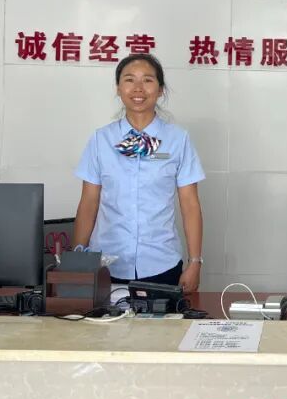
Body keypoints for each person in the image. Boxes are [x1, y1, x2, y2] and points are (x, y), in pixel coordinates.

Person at [73, 53, 205, 293]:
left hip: (162, 263)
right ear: (118, 88)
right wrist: (77, 260)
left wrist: (195, 261)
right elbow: (89, 202)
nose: (138, 88)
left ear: (160, 89)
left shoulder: (177, 140)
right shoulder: (101, 140)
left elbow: (190, 204)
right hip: (106, 264)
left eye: (147, 80)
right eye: (129, 79)